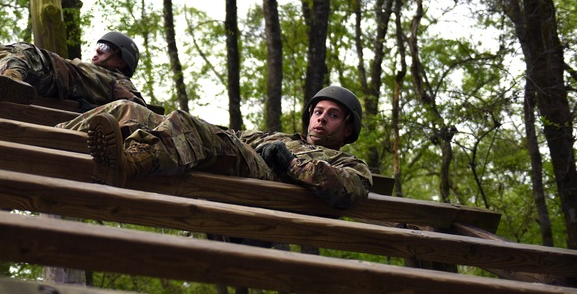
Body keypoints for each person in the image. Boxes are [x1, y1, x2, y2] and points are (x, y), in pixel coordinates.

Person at [59, 85, 373, 209]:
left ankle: (128, 164)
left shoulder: (349, 162)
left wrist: (291, 163)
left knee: (185, 123)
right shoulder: (277, 137)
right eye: (318, 112)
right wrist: (154, 119)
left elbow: (351, 190)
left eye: (332, 116)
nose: (321, 120)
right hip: (240, 153)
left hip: (266, 182)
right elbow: (227, 135)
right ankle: (57, 138)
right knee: (131, 109)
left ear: (347, 128)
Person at [0, 8, 148, 110]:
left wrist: (91, 110)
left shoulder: (119, 81)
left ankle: (12, 81)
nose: (97, 51)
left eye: (106, 48)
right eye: (98, 45)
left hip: (50, 78)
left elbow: (136, 108)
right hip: (13, 70)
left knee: (25, 51)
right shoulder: (92, 68)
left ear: (121, 62)